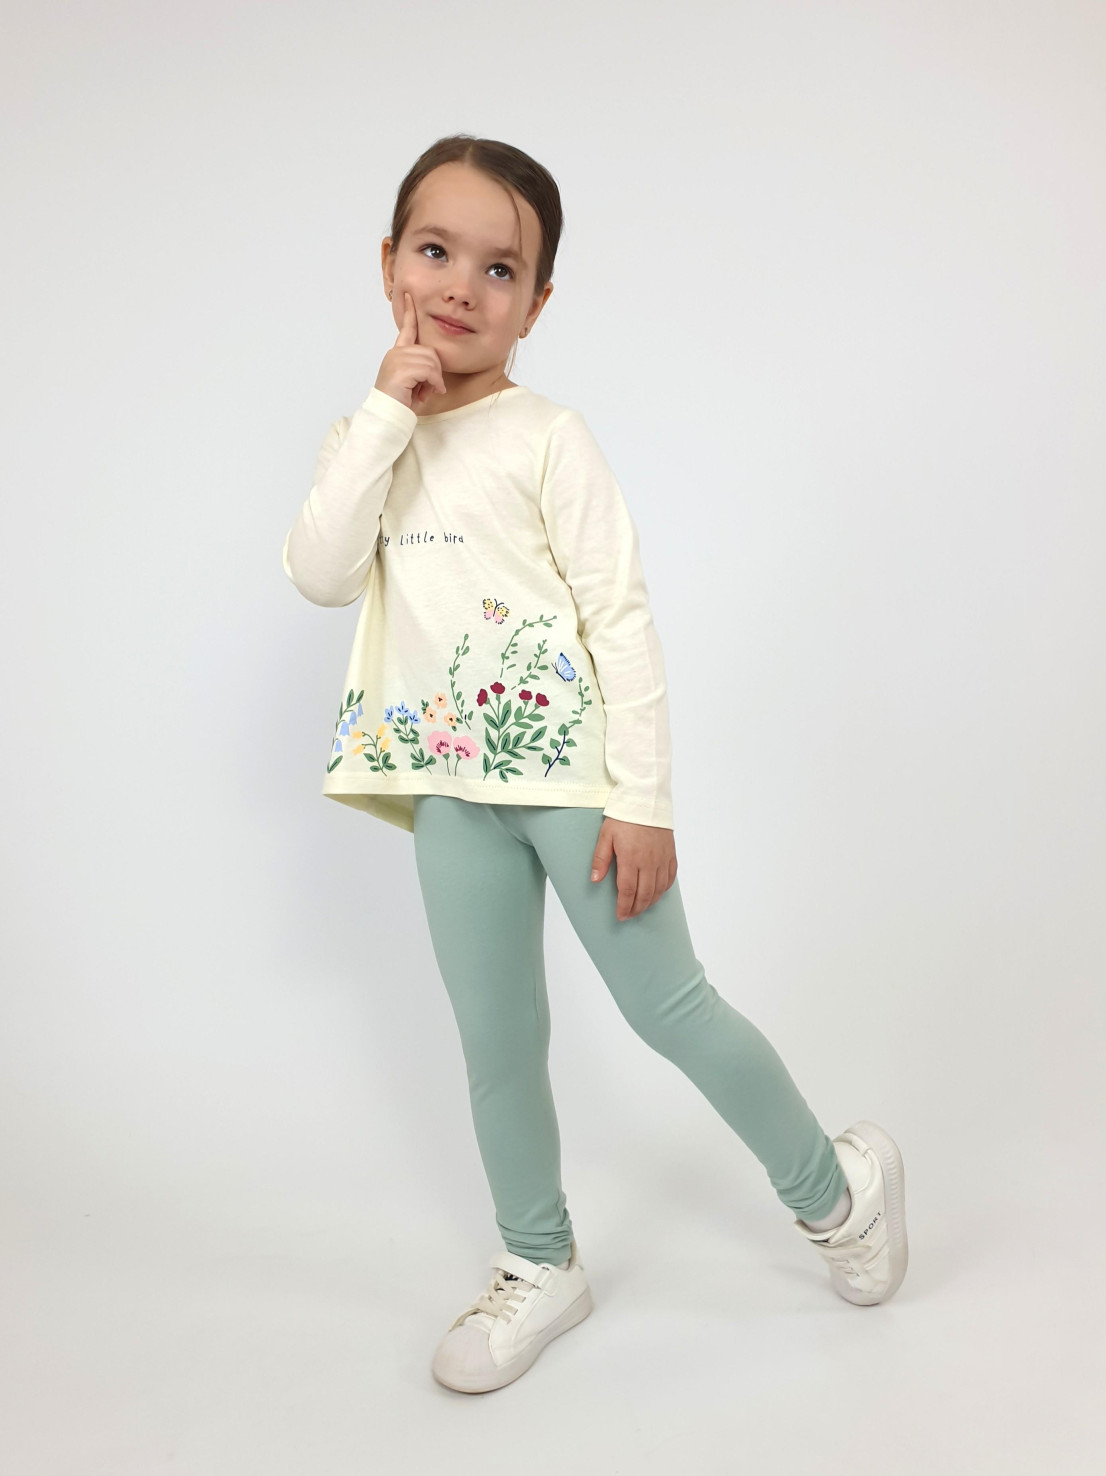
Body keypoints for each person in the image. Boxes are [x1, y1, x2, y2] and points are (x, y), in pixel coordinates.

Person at [281, 134, 908, 1395]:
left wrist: (643, 801)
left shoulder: (547, 436)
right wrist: (386, 412)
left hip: (572, 784)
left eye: (498, 268)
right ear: (389, 263)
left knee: (666, 1007)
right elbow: (320, 572)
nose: (461, 287)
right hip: (449, 789)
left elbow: (618, 617)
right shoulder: (368, 438)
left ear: (537, 301)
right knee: (496, 1040)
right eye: (435, 251)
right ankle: (538, 1259)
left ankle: (836, 1192)